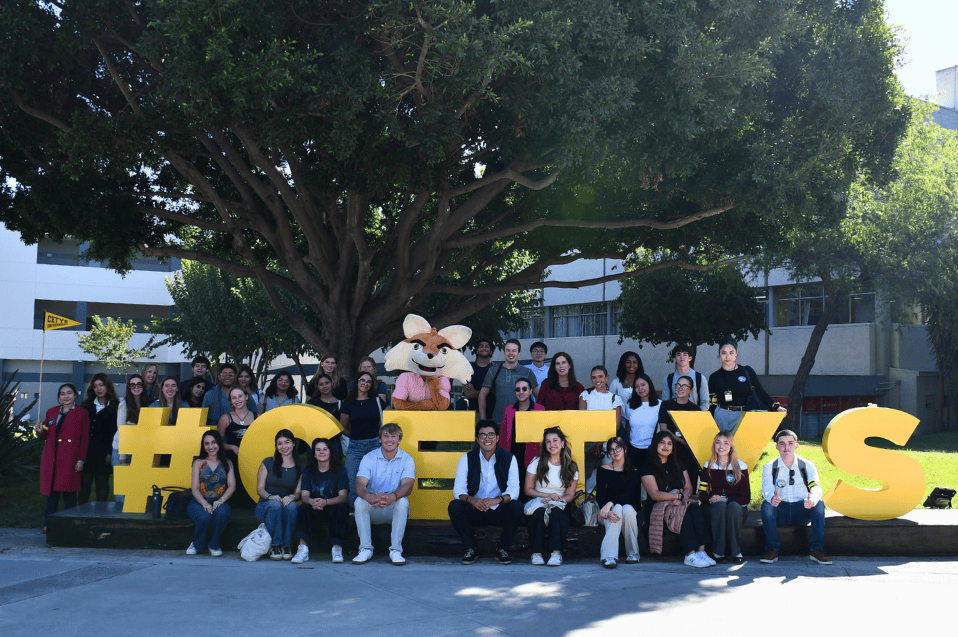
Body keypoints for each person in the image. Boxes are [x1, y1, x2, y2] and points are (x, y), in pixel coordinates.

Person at [449, 421, 522, 565]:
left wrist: (497, 500)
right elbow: (458, 490)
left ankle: (503, 549)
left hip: (497, 508)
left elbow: (514, 490)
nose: (486, 439)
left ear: (497, 438)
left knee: (517, 506)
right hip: (475, 508)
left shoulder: (509, 458)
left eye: (490, 435)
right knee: (454, 506)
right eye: (482, 435)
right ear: (477, 439)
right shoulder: (467, 459)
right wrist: (472, 500)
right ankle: (470, 548)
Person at [639, 430, 715, 568]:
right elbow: (655, 494)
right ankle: (690, 554)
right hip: (658, 508)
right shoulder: (647, 467)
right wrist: (676, 497)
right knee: (682, 511)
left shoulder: (678, 464)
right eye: (662, 443)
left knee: (694, 507)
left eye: (669, 443)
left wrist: (683, 497)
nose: (666, 446)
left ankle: (701, 552)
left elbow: (688, 487)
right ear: (655, 444)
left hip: (679, 501)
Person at [760, 429, 830, 565]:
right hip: (781, 510)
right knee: (766, 505)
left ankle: (817, 549)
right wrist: (771, 498)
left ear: (796, 445)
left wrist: (812, 500)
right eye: (782, 443)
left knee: (820, 503)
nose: (786, 447)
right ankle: (772, 549)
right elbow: (767, 488)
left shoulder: (806, 465)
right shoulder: (770, 466)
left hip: (802, 509)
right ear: (776, 446)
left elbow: (816, 486)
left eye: (790, 443)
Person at [353, 423, 415, 565]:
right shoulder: (369, 457)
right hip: (374, 504)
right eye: (385, 436)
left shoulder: (407, 459)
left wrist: (392, 497)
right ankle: (365, 549)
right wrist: (369, 496)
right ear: (380, 439)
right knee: (359, 501)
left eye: (394, 436)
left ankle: (396, 551)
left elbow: (408, 486)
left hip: (393, 506)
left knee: (403, 502)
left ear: (399, 440)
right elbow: (359, 484)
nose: (389, 439)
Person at [36, 384, 89, 533]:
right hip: (51, 459)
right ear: (59, 396)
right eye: (62, 394)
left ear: (75, 395)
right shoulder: (51, 412)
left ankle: (70, 525)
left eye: (69, 393)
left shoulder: (82, 413)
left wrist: (81, 460)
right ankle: (48, 524)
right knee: (51, 496)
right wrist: (40, 431)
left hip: (70, 459)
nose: (66, 396)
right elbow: (46, 433)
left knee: (69, 495)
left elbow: (84, 439)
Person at [524, 427, 578, 567]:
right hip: (539, 499)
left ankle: (556, 553)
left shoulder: (571, 466)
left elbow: (570, 495)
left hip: (559, 502)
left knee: (557, 513)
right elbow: (528, 490)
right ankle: (536, 553)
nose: (551, 444)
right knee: (539, 513)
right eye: (548, 441)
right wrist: (547, 496)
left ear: (562, 443)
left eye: (555, 440)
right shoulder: (537, 462)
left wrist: (556, 500)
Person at [292, 438, 349, 564]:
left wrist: (326, 502)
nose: (321, 452)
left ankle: (337, 548)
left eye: (324, 449)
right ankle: (303, 549)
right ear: (314, 454)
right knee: (304, 507)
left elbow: (343, 497)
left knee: (341, 507)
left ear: (330, 452)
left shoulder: (340, 470)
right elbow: (304, 495)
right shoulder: (308, 471)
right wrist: (311, 501)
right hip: (315, 507)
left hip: (332, 506)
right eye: (318, 450)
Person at [709, 339, 785, 430]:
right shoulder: (714, 376)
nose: (727, 356)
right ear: (719, 353)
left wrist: (775, 406)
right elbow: (712, 403)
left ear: (736, 353)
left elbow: (760, 392)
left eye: (731, 352)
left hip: (744, 415)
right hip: (722, 416)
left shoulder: (746, 371)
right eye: (724, 353)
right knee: (723, 443)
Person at [698, 431, 750, 564]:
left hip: (736, 510)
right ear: (714, 445)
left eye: (726, 443)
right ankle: (718, 552)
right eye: (718, 443)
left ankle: (736, 552)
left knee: (732, 506)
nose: (721, 446)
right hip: (715, 509)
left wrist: (726, 499)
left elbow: (746, 498)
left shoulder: (741, 467)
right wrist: (711, 499)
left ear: (731, 446)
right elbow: (702, 493)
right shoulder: (708, 466)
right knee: (720, 506)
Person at [340, 371, 388, 505]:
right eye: (362, 380)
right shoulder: (348, 403)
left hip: (375, 445)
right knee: (352, 480)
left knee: (375, 480)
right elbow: (342, 427)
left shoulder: (376, 401)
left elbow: (387, 421)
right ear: (357, 382)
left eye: (368, 382)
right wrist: (355, 435)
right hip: (355, 447)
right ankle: (354, 513)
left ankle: (375, 510)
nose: (365, 384)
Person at [255, 429, 302, 560]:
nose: (283, 446)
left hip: (287, 503)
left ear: (293, 444)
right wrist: (270, 497)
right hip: (266, 504)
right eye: (279, 443)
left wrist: (292, 497)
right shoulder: (268, 462)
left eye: (287, 442)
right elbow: (260, 489)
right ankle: (276, 545)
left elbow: (298, 492)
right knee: (275, 504)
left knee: (293, 507)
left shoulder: (300, 467)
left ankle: (287, 546)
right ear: (276, 446)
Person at [187, 430, 235, 557]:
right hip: (199, 500)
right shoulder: (198, 463)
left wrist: (221, 501)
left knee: (222, 513)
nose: (210, 447)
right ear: (203, 446)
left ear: (219, 443)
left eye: (214, 443)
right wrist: (204, 503)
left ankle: (214, 544)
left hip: (220, 499)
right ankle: (196, 544)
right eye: (206, 443)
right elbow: (195, 488)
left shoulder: (227, 463)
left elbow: (232, 486)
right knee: (204, 515)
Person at [595, 437, 641, 568]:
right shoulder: (602, 470)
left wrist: (611, 503)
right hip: (605, 512)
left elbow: (629, 495)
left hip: (629, 512)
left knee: (625, 508)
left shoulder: (634, 471)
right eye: (611, 450)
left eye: (618, 448)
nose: (615, 452)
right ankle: (608, 556)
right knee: (617, 509)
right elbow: (600, 495)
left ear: (625, 449)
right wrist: (608, 509)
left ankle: (633, 554)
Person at [79, 373, 119, 504]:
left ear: (108, 386)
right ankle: (81, 516)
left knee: (102, 485)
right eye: (95, 386)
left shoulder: (116, 406)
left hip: (105, 452)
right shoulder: (86, 405)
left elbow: (115, 431)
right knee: (84, 485)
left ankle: (100, 515)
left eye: (101, 385)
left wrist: (109, 452)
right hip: (88, 451)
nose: (98, 388)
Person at [479, 339, 538, 425]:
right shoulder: (493, 371)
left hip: (524, 421)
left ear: (519, 353)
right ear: (504, 352)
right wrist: (483, 420)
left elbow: (539, 395)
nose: (511, 353)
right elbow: (482, 395)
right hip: (499, 422)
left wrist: (539, 417)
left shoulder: (527, 372)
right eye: (508, 350)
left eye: (514, 351)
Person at [655, 374, 701, 473]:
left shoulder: (695, 409)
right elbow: (663, 429)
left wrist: (687, 443)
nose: (680, 388)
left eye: (685, 386)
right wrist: (681, 441)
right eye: (678, 385)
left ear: (691, 390)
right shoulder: (666, 405)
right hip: (671, 448)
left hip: (689, 451)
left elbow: (696, 434)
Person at [113, 375, 148, 493]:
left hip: (138, 450)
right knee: (122, 487)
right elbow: (122, 430)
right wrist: (122, 457)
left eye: (139, 384)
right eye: (133, 385)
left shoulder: (147, 404)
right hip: (122, 449)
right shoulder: (124, 404)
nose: (136, 387)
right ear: (129, 387)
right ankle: (119, 511)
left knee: (136, 487)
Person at [500, 378, 545, 467]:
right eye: (518, 389)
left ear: (530, 390)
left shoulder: (539, 409)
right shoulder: (509, 410)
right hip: (512, 455)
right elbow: (503, 436)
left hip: (533, 457)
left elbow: (543, 435)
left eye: (524, 389)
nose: (521, 392)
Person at [622, 373, 659, 468]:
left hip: (652, 450)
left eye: (643, 385)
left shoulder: (660, 405)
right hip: (633, 450)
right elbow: (628, 426)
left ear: (649, 385)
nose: (640, 388)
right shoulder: (630, 405)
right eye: (637, 386)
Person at [660, 344, 710, 409]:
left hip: (694, 416)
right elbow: (665, 402)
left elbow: (705, 402)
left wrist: (698, 416)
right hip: (674, 416)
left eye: (685, 354)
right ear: (675, 359)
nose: (682, 357)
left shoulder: (700, 378)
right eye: (679, 354)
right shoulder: (668, 379)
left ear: (690, 358)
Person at [216, 387, 256, 458]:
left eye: (240, 396)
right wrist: (232, 447)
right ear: (231, 401)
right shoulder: (225, 418)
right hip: (232, 460)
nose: (237, 400)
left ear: (246, 397)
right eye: (234, 398)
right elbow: (218, 443)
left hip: (253, 459)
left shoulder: (257, 417)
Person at [462, 337, 494, 415]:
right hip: (473, 413)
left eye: (487, 346)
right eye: (481, 346)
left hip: (493, 411)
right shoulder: (468, 369)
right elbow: (468, 394)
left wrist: (475, 392)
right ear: (477, 351)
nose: (484, 348)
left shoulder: (496, 369)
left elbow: (498, 392)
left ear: (491, 352)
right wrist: (489, 392)